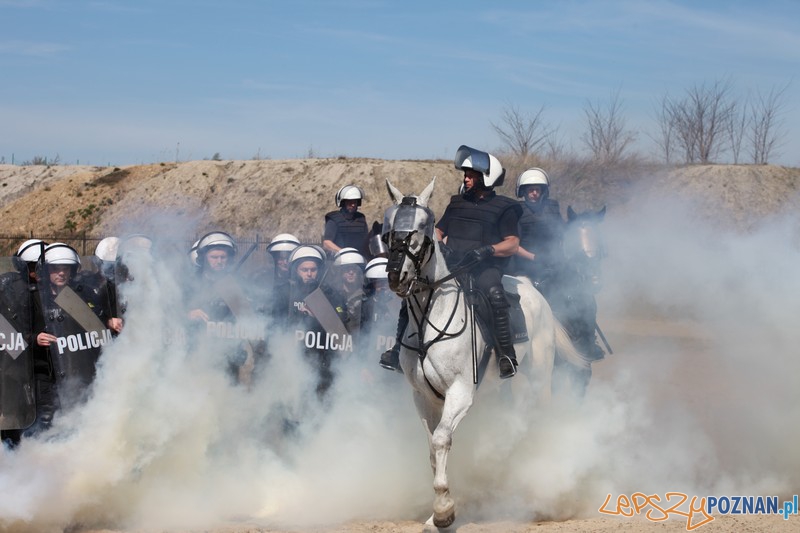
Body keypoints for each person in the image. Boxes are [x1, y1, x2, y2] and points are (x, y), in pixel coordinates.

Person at [29, 243, 115, 434]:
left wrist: (109, 321)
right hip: (46, 373)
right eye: (55, 269)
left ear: (72, 271)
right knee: (48, 426)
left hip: (77, 372)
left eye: (65, 269)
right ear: (46, 271)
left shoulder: (79, 296)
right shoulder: (34, 298)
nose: (61, 273)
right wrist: (34, 338)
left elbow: (96, 330)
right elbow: (18, 333)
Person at [186, 231, 263, 385]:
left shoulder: (236, 284)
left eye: (223, 257)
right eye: (214, 257)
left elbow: (248, 320)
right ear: (204, 258)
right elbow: (170, 310)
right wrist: (188, 314)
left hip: (228, 354)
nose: (219, 261)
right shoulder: (190, 283)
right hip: (196, 351)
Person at [286, 245, 347, 400]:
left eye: (313, 270)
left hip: (324, 361)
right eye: (304, 270)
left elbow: (340, 326)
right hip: (293, 359)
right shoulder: (286, 293)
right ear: (296, 271)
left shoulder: (332, 295)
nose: (309, 274)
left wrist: (319, 314)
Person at [0, 239, 45, 446]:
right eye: (34, 266)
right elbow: (7, 331)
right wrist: (30, 339)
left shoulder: (53, 288)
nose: (39, 271)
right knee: (15, 421)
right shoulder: (9, 290)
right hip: (15, 367)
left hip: (46, 367)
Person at [512, 168, 566, 302]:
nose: (534, 193)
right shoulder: (516, 211)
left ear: (543, 191)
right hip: (525, 267)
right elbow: (513, 245)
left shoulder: (553, 207)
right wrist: (536, 258)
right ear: (523, 191)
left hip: (553, 264)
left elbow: (562, 235)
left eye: (537, 189)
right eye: (531, 190)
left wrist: (558, 256)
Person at [322, 185, 370, 258]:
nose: (353, 205)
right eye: (350, 202)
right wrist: (345, 254)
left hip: (359, 260)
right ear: (343, 202)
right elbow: (327, 243)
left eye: (355, 202)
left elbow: (366, 242)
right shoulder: (334, 219)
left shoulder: (361, 219)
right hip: (338, 260)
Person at [327, 247, 366, 333]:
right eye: (347, 268)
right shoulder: (332, 294)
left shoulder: (365, 297)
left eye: (354, 269)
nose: (351, 272)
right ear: (340, 271)